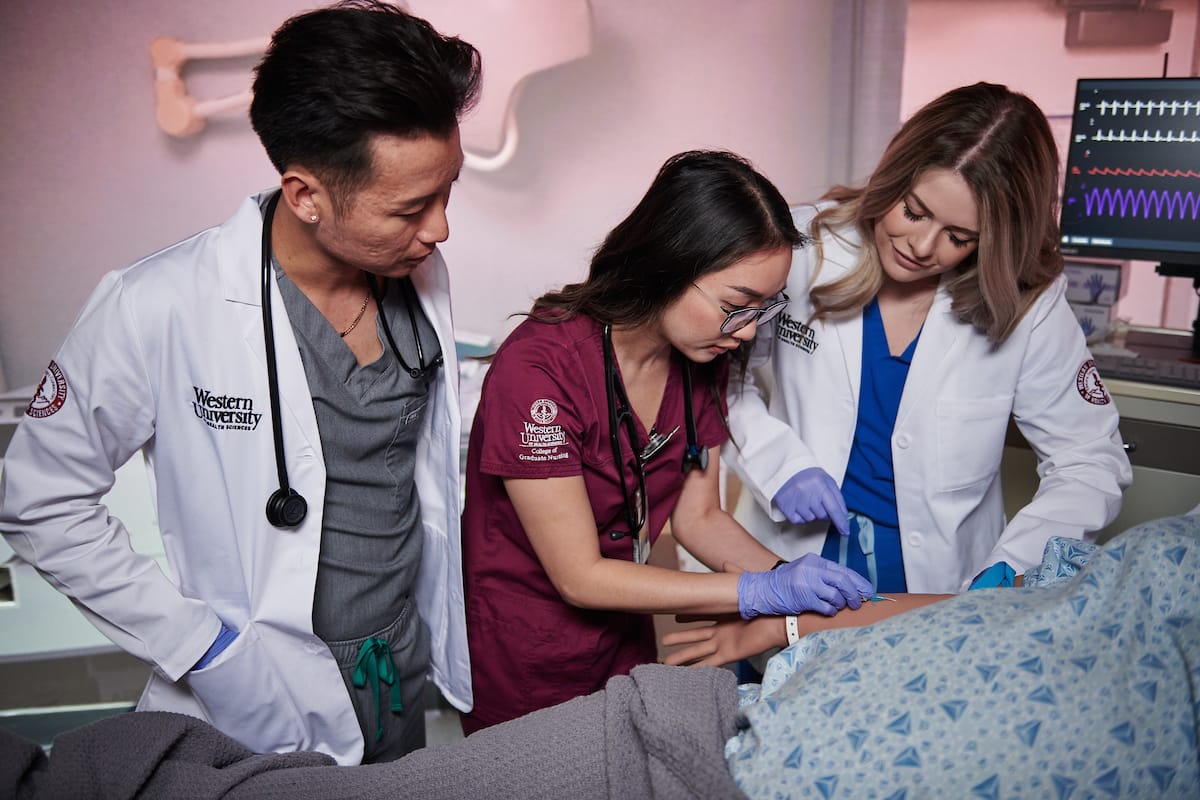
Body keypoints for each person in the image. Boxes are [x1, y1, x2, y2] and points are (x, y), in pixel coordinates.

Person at [0, 0, 481, 765]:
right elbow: (39, 499)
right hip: (261, 684)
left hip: (396, 666)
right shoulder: (159, 305)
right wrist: (205, 645)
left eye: (449, 190)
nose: (441, 229)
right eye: (413, 207)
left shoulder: (414, 272)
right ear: (306, 196)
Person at [6, 509, 1197, 799]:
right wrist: (779, 611)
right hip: (697, 737)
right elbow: (999, 600)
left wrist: (768, 603)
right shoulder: (1151, 564)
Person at [458, 150, 874, 733]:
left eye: (763, 309)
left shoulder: (698, 360)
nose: (749, 331)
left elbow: (697, 516)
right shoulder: (540, 371)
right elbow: (579, 575)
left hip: (623, 640)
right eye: (736, 306)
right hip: (526, 652)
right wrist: (759, 591)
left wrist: (794, 579)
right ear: (669, 264)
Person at [725, 82, 1133, 596]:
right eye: (914, 211)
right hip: (789, 558)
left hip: (939, 590)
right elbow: (724, 378)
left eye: (959, 237)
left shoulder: (1029, 302)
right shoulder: (805, 246)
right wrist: (777, 462)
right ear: (893, 176)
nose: (921, 246)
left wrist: (1017, 564)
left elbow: (1089, 459)